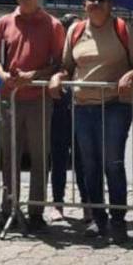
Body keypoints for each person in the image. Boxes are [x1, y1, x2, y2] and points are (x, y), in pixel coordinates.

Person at [49, 0, 133, 244]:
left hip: (115, 106)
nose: (96, 4)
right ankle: (98, 219)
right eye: (91, 0)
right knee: (89, 167)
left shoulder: (122, 29)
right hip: (82, 107)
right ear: (84, 5)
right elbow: (67, 67)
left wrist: (132, 73)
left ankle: (118, 221)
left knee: (112, 165)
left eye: (102, 0)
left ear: (110, 4)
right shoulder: (76, 30)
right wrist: (57, 78)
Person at [0, 0, 65, 232]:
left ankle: (36, 211)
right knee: (8, 157)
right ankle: (9, 207)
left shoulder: (53, 25)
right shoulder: (4, 22)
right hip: (8, 99)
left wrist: (33, 76)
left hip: (39, 100)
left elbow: (59, 64)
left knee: (38, 157)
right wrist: (3, 75)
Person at [48, 12, 89, 224]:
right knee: (58, 159)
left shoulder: (85, 51)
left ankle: (87, 205)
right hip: (59, 111)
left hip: (81, 109)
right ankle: (57, 203)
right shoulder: (58, 54)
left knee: (83, 160)